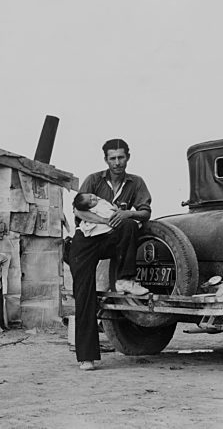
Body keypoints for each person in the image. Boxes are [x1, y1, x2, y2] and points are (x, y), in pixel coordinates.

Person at [69, 138, 152, 371]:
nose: (117, 162)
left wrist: (127, 215)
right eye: (112, 158)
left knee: (128, 225)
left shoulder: (136, 183)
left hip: (110, 240)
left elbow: (145, 212)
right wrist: (106, 219)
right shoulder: (94, 180)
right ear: (106, 159)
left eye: (121, 157)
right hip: (85, 242)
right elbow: (78, 210)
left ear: (128, 157)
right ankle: (87, 357)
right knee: (84, 295)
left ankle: (125, 279)